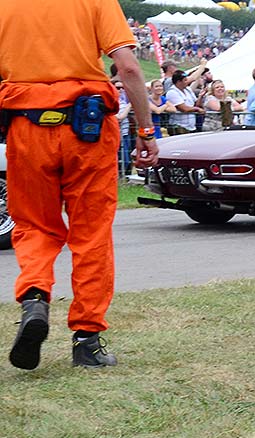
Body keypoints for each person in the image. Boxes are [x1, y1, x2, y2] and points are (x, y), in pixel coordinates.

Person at [1, 0, 157, 369]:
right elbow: (129, 67)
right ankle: (87, 341)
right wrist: (147, 129)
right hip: (86, 129)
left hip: (27, 127)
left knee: (34, 225)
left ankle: (35, 298)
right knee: (91, 232)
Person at [163, 70, 203, 135]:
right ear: (179, 82)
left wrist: (201, 96)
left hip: (191, 127)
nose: (187, 82)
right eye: (185, 80)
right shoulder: (172, 92)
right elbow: (184, 108)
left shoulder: (188, 90)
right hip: (178, 127)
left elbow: (196, 104)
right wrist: (197, 109)